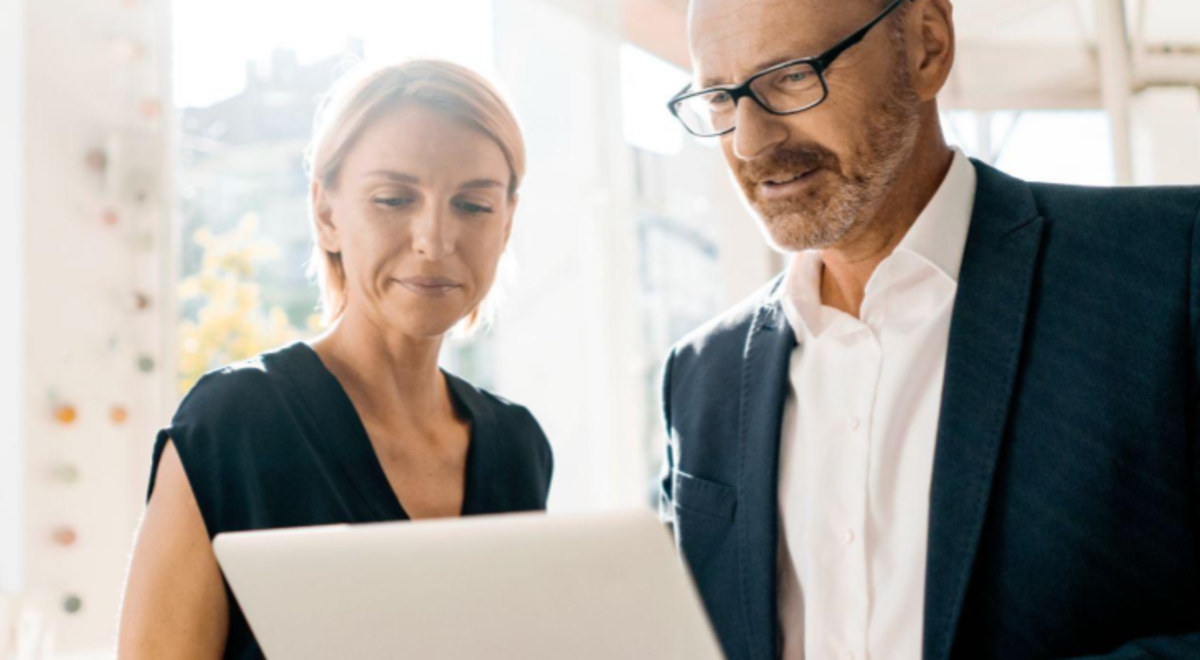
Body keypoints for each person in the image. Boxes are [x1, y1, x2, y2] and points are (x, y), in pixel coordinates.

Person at [658, 1, 1200, 659]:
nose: (748, 141)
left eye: (792, 77)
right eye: (720, 98)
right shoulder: (699, 375)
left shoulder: (1170, 266)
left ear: (926, 45)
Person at [117, 59, 552, 659]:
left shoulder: (518, 446)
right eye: (394, 199)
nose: (434, 239)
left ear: (505, 226)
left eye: (473, 206)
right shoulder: (236, 422)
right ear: (326, 215)